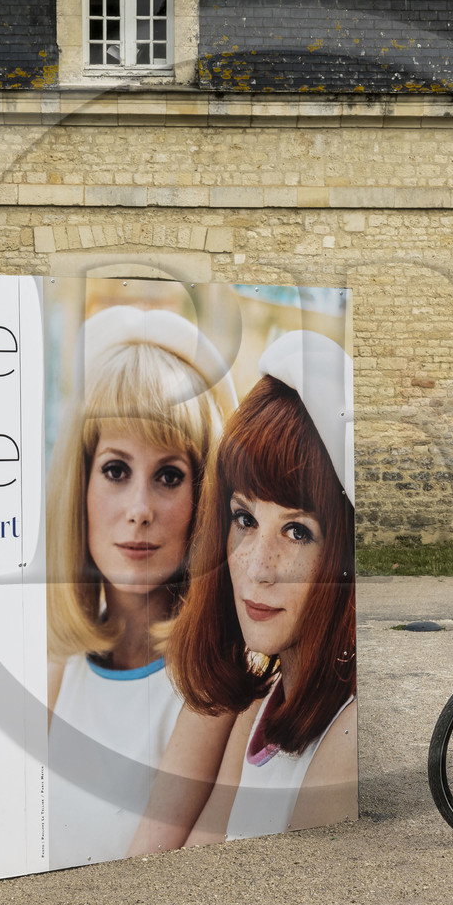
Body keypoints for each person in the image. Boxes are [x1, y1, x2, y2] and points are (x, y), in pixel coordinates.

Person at [43, 306, 235, 868]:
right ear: (80, 482)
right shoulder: (59, 663)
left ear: (207, 496)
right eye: (116, 469)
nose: (140, 511)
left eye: (170, 476)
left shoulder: (212, 684)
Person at [165, 331, 357, 845]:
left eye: (298, 531)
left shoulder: (346, 733)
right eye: (245, 518)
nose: (257, 568)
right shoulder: (261, 703)